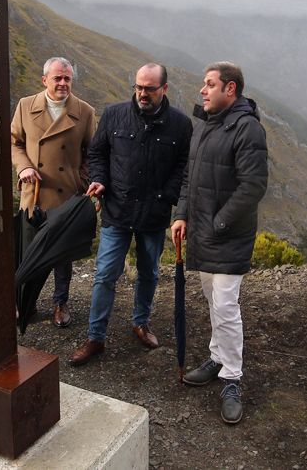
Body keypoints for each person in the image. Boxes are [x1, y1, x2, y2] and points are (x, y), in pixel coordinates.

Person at [69, 63, 193, 366]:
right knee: (104, 276)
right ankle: (95, 338)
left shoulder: (180, 124)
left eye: (149, 88)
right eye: (138, 87)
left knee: (149, 273)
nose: (142, 93)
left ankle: (141, 322)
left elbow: (184, 166)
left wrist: (167, 197)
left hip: (154, 213)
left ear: (164, 89)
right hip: (117, 210)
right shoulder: (114, 114)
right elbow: (97, 153)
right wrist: (100, 179)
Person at [171, 61, 268, 425]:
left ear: (231, 90)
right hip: (202, 233)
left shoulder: (248, 129)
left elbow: (253, 186)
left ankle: (231, 378)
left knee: (226, 305)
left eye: (209, 84)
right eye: (203, 84)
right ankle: (217, 356)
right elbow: (188, 179)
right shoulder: (205, 126)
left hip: (227, 235)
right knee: (214, 301)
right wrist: (181, 214)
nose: (202, 90)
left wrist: (219, 222)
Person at [11, 57, 96, 328]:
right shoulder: (26, 106)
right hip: (34, 193)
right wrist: (23, 167)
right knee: (30, 251)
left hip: (66, 194)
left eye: (67, 79)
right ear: (44, 79)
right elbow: (14, 142)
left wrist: (80, 180)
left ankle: (60, 303)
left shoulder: (85, 111)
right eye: (57, 78)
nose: (62, 83)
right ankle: (26, 303)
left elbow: (91, 153)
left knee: (62, 254)